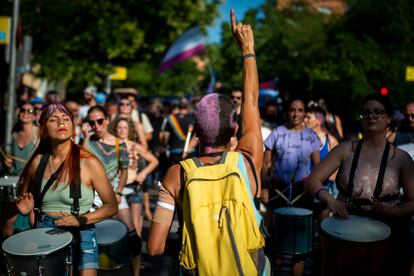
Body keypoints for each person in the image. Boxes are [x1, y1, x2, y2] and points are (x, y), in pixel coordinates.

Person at [147, 9, 266, 274]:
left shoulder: (176, 174)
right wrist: (247, 50)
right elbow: (251, 102)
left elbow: (154, 248)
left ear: (196, 132)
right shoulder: (247, 161)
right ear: (234, 130)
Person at [305, 93, 414, 275]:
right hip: (344, 229)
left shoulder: (401, 159)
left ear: (388, 118)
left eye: (378, 112)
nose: (371, 116)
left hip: (386, 234)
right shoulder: (346, 149)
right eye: (366, 112)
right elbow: (312, 180)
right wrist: (331, 201)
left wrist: (393, 211)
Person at [15, 103, 118, 275]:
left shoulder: (89, 162)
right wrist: (27, 209)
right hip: (45, 229)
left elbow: (112, 206)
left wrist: (81, 219)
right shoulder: (37, 162)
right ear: (43, 129)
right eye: (53, 120)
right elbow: (25, 199)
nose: (61, 123)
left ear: (73, 126)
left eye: (66, 119)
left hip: (83, 230)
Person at [261, 96, 321, 276]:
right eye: (292, 110)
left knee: (299, 246)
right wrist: (264, 187)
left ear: (304, 113)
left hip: (302, 193)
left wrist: (318, 189)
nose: (296, 114)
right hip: (278, 191)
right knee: (275, 242)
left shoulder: (311, 136)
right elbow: (265, 165)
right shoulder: (277, 133)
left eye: (300, 110)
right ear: (287, 112)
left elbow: (318, 167)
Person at [82, 105, 141, 276]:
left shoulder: (119, 144)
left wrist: (119, 192)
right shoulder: (89, 142)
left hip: (115, 193)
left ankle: (136, 273)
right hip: (92, 197)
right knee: (87, 236)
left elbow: (123, 171)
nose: (96, 126)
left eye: (99, 121)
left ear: (107, 120)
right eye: (92, 123)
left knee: (133, 236)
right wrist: (85, 137)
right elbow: (81, 161)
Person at [2, 101, 39, 236]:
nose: (25, 113)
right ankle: (7, 254)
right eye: (23, 110)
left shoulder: (39, 135)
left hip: (33, 184)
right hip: (15, 183)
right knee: (8, 220)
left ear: (35, 116)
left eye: (30, 111)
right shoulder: (13, 134)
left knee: (32, 221)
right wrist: (6, 162)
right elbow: (8, 157)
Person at [304, 105, 339, 194]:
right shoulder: (300, 138)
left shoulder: (331, 141)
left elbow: (336, 169)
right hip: (302, 190)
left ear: (318, 121)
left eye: (308, 117)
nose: (305, 120)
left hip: (322, 190)